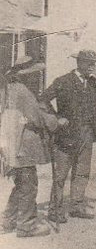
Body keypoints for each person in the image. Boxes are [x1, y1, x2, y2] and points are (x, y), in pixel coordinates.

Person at [40, 49, 96, 222]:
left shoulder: (94, 82)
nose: (93, 66)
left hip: (87, 133)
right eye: (90, 63)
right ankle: (55, 210)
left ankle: (76, 205)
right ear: (80, 63)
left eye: (95, 63)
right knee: (60, 175)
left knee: (82, 171)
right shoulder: (63, 81)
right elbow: (43, 99)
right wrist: (56, 118)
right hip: (66, 134)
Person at [1, 56, 66, 238]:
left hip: (12, 145)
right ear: (25, 75)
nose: (36, 77)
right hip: (22, 146)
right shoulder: (23, 92)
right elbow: (37, 117)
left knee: (21, 184)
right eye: (34, 74)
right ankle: (26, 225)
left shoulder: (10, 89)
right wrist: (57, 122)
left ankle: (9, 220)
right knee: (29, 185)